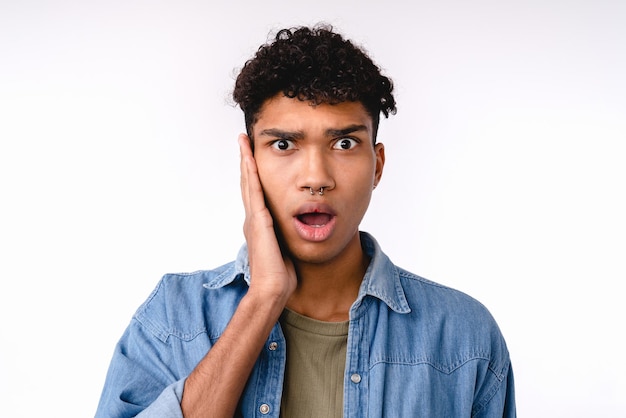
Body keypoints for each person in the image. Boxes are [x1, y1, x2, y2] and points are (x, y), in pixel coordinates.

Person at [95, 25, 516, 418]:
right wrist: (262, 300)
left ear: (378, 166)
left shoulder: (464, 337)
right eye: (283, 144)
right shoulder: (173, 318)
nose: (316, 177)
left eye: (345, 143)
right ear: (250, 164)